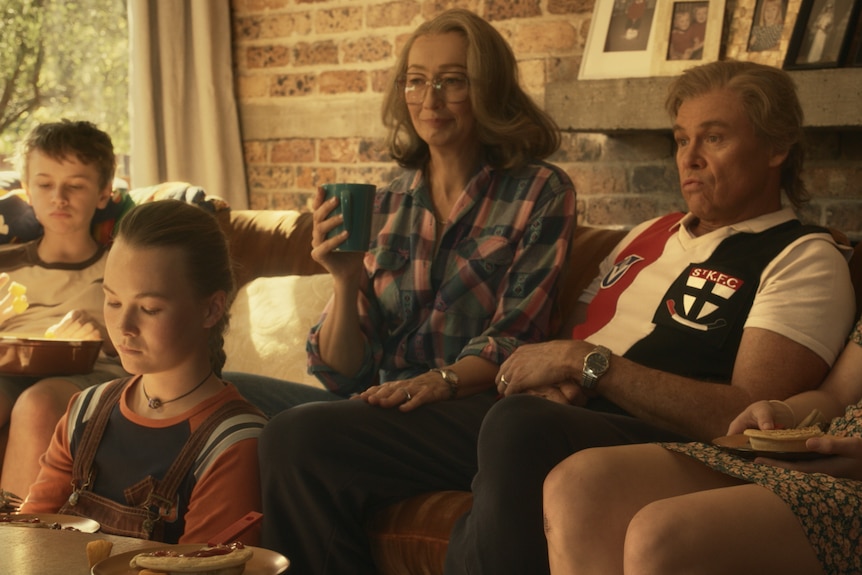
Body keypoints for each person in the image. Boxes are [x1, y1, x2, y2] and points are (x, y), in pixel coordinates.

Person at [444, 59, 855, 575]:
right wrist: (557, 376)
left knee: (516, 427)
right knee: (323, 433)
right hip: (558, 411)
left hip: (656, 435)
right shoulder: (646, 234)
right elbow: (570, 336)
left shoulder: (801, 255)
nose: (691, 159)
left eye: (715, 138)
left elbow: (748, 413)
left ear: (777, 149)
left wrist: (586, 365)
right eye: (682, 140)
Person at [257, 8, 576, 573]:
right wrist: (344, 276)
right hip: (390, 405)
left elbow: (518, 337)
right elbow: (343, 373)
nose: (430, 98)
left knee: (296, 437)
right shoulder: (388, 201)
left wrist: (441, 381)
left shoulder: (540, 191)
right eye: (416, 79)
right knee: (222, 398)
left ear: (488, 89)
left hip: (477, 409)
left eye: (452, 80)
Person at [20, 200, 267, 545]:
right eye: (113, 301)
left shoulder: (233, 444)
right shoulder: (85, 411)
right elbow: (27, 540)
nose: (123, 326)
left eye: (149, 309)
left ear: (211, 309)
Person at [543, 315, 862, 574]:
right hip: (822, 453)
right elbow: (836, 396)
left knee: (661, 535)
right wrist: (785, 410)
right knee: (579, 485)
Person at [0, 120, 128, 499]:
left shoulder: (121, 265)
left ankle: (17, 545)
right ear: (27, 191)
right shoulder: (5, 263)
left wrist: (105, 332)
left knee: (38, 403)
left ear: (103, 193)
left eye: (75, 185)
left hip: (89, 371)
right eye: (45, 184)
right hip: (8, 366)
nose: (59, 197)